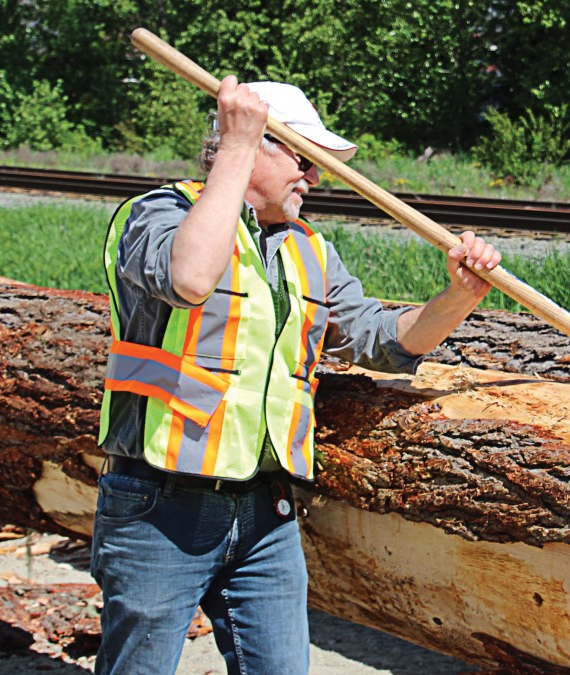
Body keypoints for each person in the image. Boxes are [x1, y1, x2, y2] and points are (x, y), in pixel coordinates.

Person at [92, 76, 501, 675]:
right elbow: (190, 280)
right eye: (303, 161)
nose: (314, 179)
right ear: (252, 145)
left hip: (265, 511)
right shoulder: (158, 215)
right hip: (159, 507)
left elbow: (382, 342)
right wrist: (235, 147)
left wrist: (459, 297)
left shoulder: (307, 249)